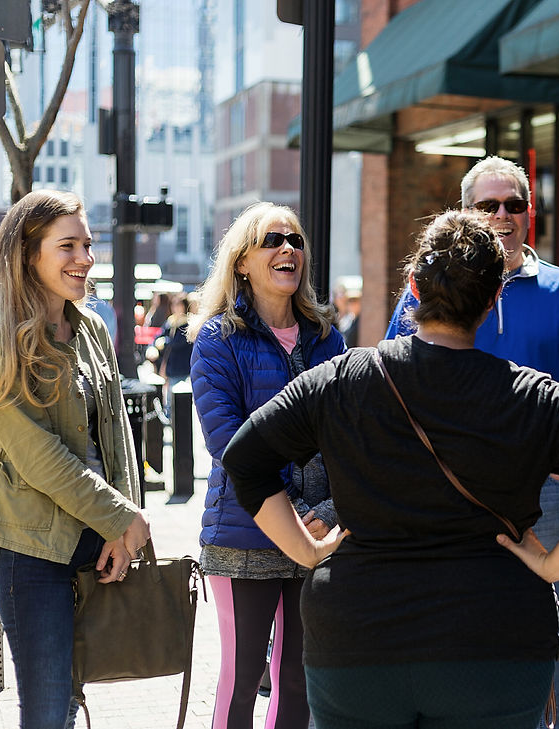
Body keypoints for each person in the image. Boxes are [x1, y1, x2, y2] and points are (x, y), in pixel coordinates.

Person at [222, 209, 559, 729]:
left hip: (359, 641)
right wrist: (554, 566)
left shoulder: (343, 379)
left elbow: (244, 458)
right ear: (495, 298)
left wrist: (303, 550)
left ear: (414, 290)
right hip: (496, 643)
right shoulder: (534, 397)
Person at [385, 155, 559, 729]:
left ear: (530, 214)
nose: (503, 216)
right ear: (465, 212)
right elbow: (398, 375)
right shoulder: (428, 292)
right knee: (460, 612)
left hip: (546, 493)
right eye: (488, 205)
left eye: (514, 204)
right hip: (454, 488)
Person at [0, 190, 151, 728]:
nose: (85, 258)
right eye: (68, 246)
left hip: (96, 537)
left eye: (87, 244)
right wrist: (120, 516)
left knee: (73, 699)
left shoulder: (92, 330)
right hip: (30, 547)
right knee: (46, 708)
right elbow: (39, 456)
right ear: (27, 254)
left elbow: (117, 437)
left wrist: (122, 525)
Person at [187, 202, 346, 729]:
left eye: (296, 241)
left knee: (301, 678)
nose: (288, 249)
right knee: (240, 679)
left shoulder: (328, 338)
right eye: (273, 239)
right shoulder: (217, 339)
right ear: (241, 262)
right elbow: (228, 443)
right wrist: (296, 508)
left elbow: (348, 436)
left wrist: (326, 508)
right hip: (244, 534)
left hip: (319, 535)